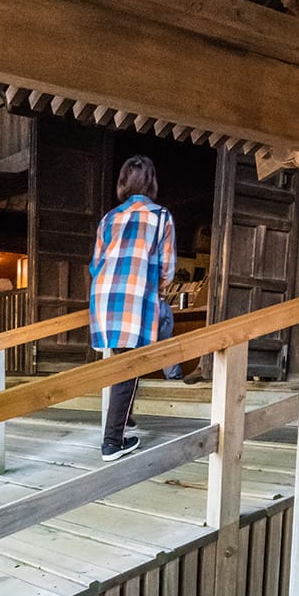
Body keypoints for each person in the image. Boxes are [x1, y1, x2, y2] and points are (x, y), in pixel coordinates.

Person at [90, 155, 177, 461]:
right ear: (151, 182)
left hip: (103, 296)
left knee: (122, 361)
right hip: (137, 296)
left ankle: (122, 419)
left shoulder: (109, 219)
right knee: (130, 366)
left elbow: (95, 264)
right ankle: (112, 442)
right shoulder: (161, 217)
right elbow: (167, 268)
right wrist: (158, 290)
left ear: (123, 183)